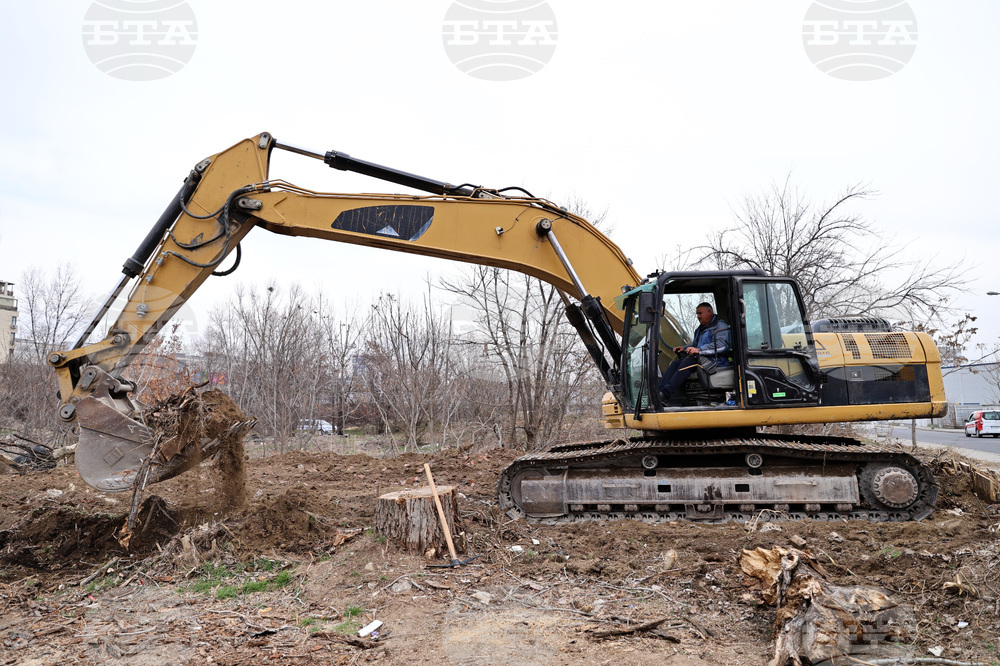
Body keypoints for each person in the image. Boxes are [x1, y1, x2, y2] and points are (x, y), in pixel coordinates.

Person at [658, 302, 731, 401]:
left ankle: (666, 394)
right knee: (675, 364)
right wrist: (684, 348)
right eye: (697, 314)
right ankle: (659, 391)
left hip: (715, 361)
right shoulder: (700, 329)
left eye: (700, 313)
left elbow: (722, 346)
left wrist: (699, 350)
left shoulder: (720, 326)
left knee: (688, 362)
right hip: (701, 359)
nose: (698, 317)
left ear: (709, 312)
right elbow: (697, 345)